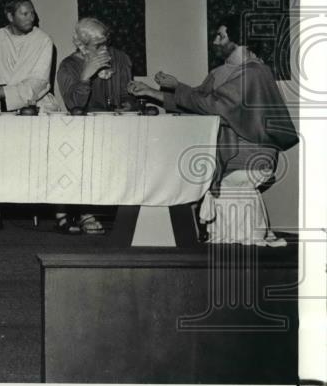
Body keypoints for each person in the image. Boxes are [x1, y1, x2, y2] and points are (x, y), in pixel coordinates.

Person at [128, 14, 297, 246]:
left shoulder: (254, 73)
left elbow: (212, 106)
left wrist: (177, 87)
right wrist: (151, 92)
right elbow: (197, 102)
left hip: (248, 156)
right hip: (233, 151)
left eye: (221, 35)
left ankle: (235, 239)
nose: (215, 41)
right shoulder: (226, 72)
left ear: (240, 40)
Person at [0, 0, 58, 233]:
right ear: (10, 16)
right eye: (25, 13)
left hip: (33, 107)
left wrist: (8, 93)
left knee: (45, 157)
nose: (31, 17)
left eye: (32, 13)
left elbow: (40, 81)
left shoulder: (43, 41)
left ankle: (62, 213)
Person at [55, 17, 134, 234]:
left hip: (118, 128)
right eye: (98, 45)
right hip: (84, 131)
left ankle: (131, 213)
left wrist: (129, 103)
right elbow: (74, 105)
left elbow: (128, 95)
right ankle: (83, 211)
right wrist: (86, 77)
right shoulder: (68, 66)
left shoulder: (121, 59)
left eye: (106, 42)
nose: (105, 49)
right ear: (81, 45)